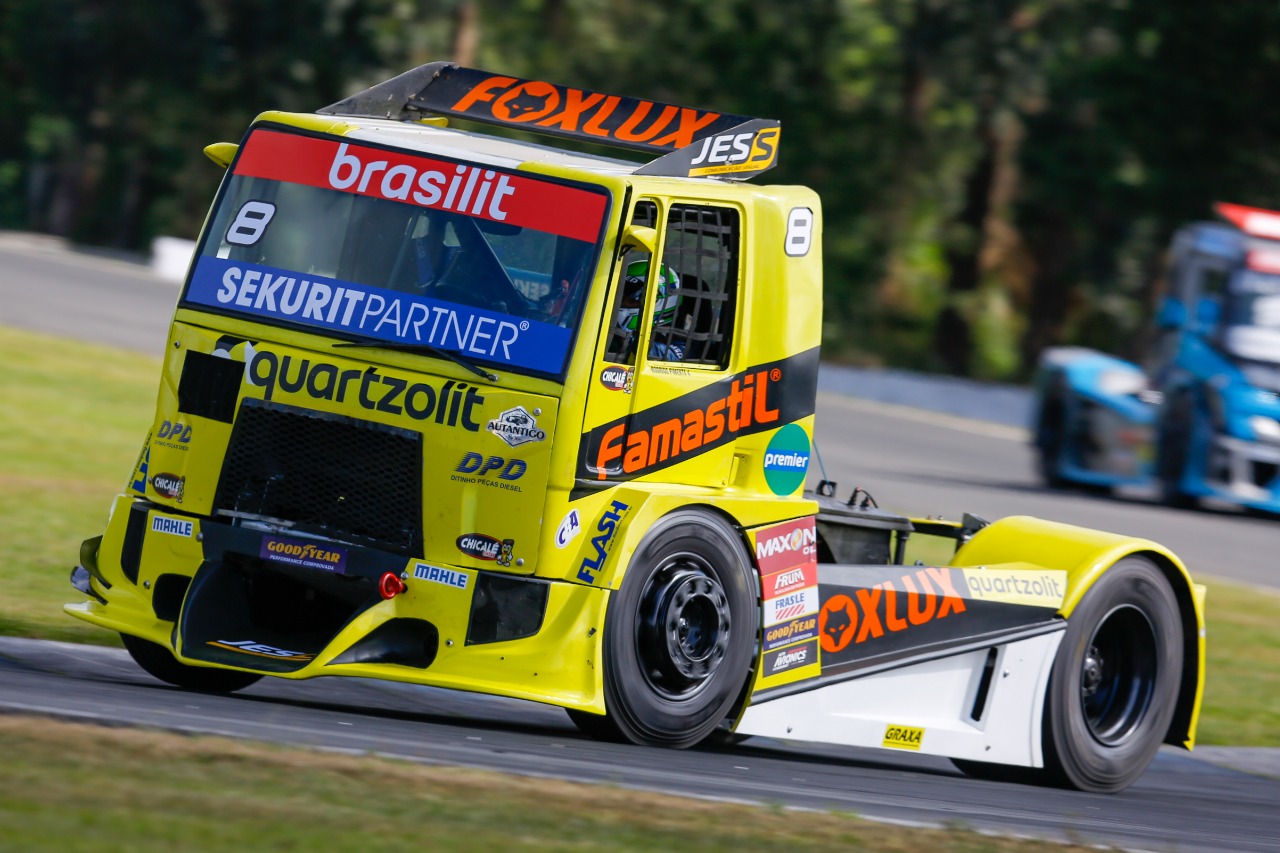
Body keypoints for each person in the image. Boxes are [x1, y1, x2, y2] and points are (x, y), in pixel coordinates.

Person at [614, 259, 684, 361]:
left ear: (659, 304)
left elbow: (672, 355)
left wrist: (628, 341)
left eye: (630, 300)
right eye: (619, 297)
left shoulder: (678, 340)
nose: (620, 303)